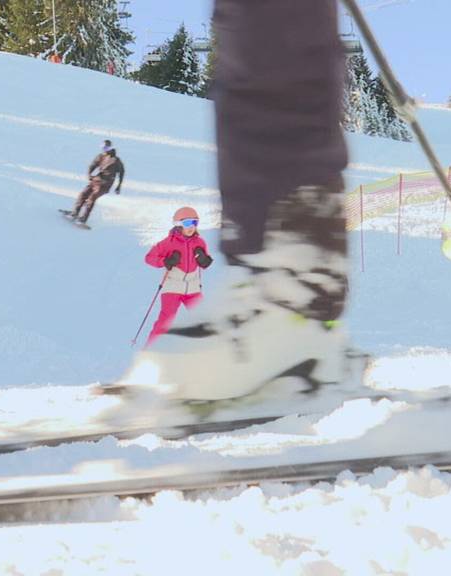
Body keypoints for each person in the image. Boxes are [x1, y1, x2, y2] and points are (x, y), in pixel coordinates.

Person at [124, 0, 350, 401]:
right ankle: (271, 272)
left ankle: (297, 284)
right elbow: (156, 255)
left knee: (269, 31)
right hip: (194, 275)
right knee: (243, 37)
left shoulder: (187, 240)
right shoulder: (177, 240)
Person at [143, 207, 212, 346]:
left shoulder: (200, 242)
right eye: (187, 223)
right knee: (166, 320)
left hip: (193, 288)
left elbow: (205, 261)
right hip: (172, 287)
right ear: (178, 224)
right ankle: (151, 348)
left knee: (205, 318)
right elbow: (149, 258)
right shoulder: (168, 243)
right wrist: (165, 261)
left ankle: (207, 348)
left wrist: (204, 260)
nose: (191, 226)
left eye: (195, 222)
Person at [64, 140, 125, 224]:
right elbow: (93, 165)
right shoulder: (100, 156)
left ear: (111, 147)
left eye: (106, 147)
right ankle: (75, 213)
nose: (104, 149)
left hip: (105, 184)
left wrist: (119, 186)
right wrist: (89, 174)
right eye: (103, 147)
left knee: (91, 198)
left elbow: (122, 172)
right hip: (96, 180)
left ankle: (83, 219)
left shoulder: (116, 160)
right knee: (83, 194)